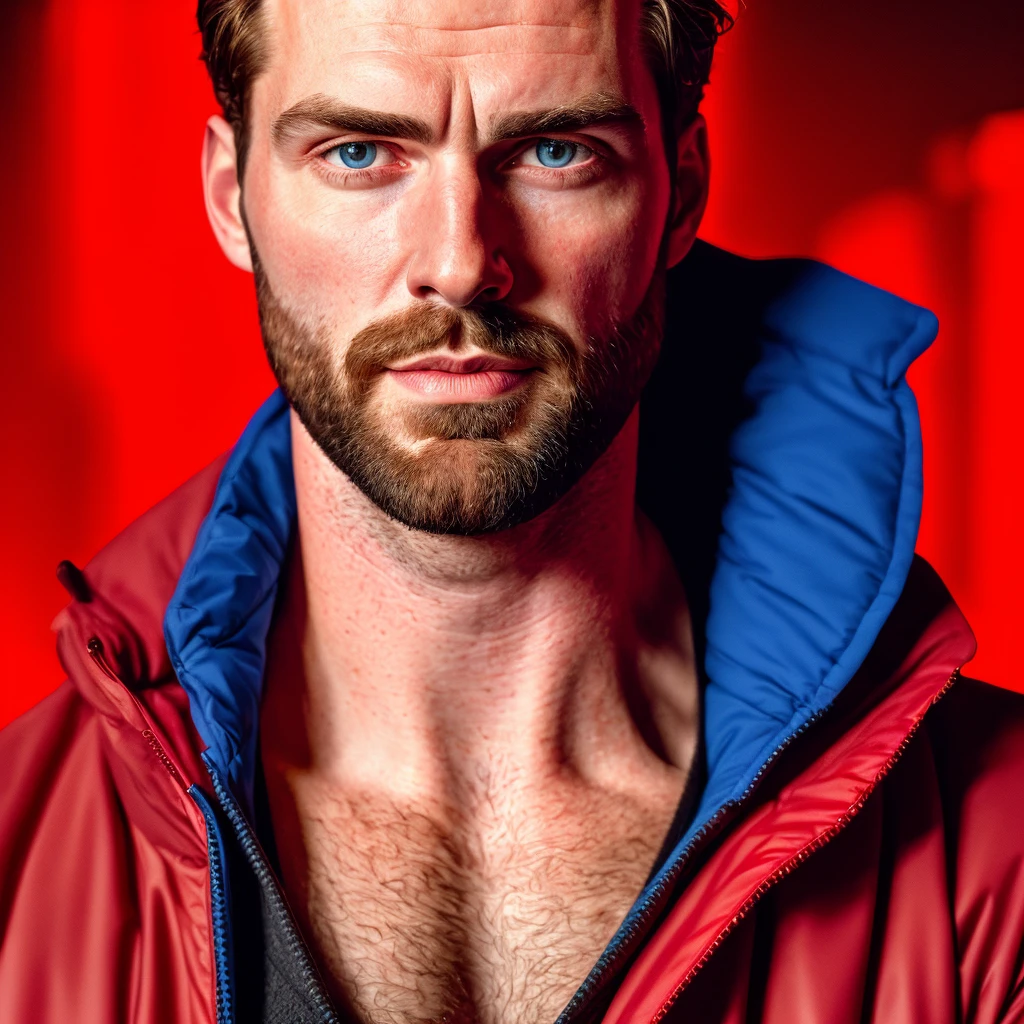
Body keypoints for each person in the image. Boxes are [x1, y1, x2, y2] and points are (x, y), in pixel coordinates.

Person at [1, 0, 1023, 1020]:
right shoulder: (18, 867)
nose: (459, 259)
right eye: (359, 152)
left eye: (555, 151)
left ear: (680, 193)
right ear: (233, 198)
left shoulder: (993, 857)